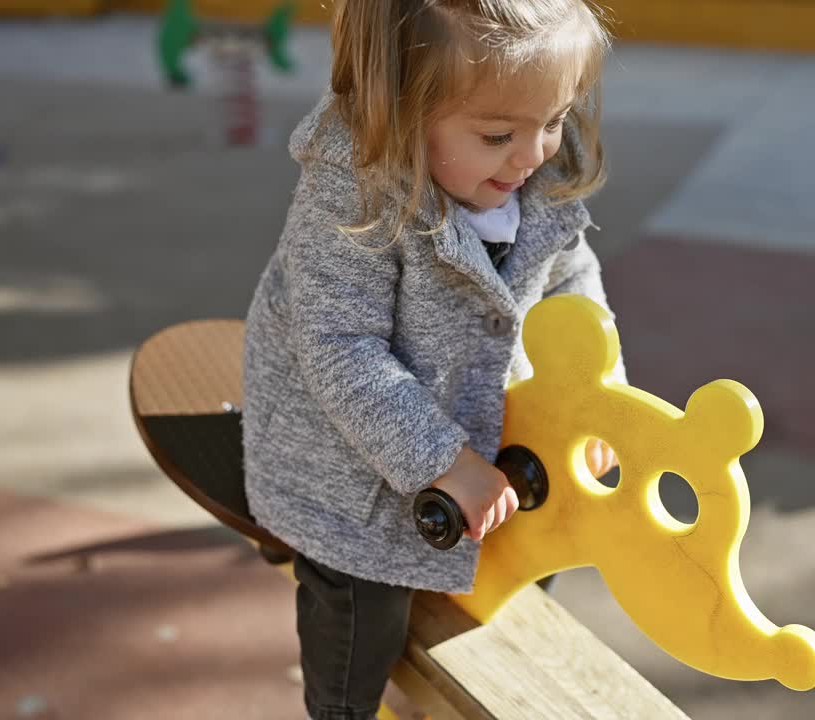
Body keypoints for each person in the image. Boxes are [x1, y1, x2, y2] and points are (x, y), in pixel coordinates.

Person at [241, 1, 624, 717]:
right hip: (345, 464)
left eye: (554, 119)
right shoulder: (351, 191)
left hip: (485, 433)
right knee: (361, 610)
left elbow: (572, 276)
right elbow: (339, 348)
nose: (534, 153)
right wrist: (445, 460)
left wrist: (600, 396)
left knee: (523, 568)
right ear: (399, 107)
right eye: (497, 134)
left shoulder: (532, 166)